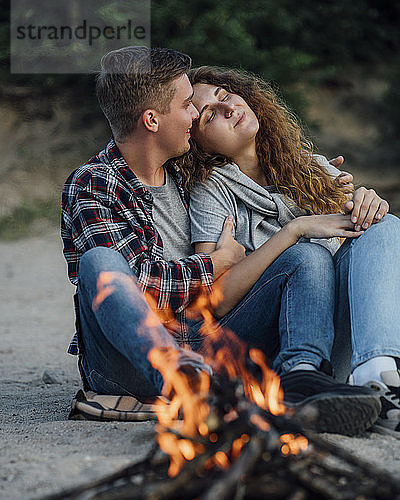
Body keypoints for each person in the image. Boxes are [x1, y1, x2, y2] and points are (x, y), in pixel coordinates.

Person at [61, 46, 380, 435]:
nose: (196, 115)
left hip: (211, 343)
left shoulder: (190, 173)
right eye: (186, 106)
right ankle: (181, 380)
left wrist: (319, 189)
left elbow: (257, 213)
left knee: (305, 256)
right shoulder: (95, 183)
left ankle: (301, 379)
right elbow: (139, 285)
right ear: (151, 120)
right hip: (129, 363)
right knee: (99, 262)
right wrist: (212, 264)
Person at [178, 65, 400, 437]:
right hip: (265, 348)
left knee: (385, 224)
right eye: (208, 115)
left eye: (223, 95)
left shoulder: (310, 169)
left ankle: (377, 376)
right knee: (306, 255)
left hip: (334, 342)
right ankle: (303, 379)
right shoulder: (210, 190)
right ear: (199, 147)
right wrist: (294, 231)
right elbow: (215, 300)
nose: (228, 107)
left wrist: (367, 204)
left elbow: (356, 241)